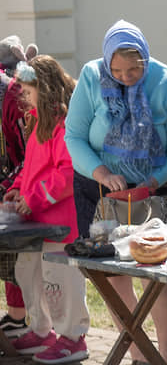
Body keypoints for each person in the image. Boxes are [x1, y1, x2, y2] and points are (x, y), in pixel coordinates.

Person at [65, 20, 167, 365]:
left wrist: (154, 179)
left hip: (155, 193)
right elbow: (73, 136)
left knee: (160, 275)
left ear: (146, 61)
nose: (124, 77)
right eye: (116, 70)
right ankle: (140, 354)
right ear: (105, 62)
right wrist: (102, 172)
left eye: (134, 70)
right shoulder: (91, 77)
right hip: (100, 194)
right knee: (114, 276)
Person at [6, 55, 90, 364]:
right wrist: (17, 191)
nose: (24, 98)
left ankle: (73, 337)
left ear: (45, 88)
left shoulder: (63, 124)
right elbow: (31, 170)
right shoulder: (39, 123)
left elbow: (67, 173)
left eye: (28, 91)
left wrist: (36, 197)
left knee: (60, 280)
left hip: (60, 222)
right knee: (27, 272)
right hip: (35, 221)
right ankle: (41, 331)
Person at [0, 36, 36, 338]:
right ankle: (18, 317)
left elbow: (27, 150)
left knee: (18, 251)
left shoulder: (12, 94)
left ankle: (21, 318)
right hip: (14, 177)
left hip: (23, 182)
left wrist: (14, 183)